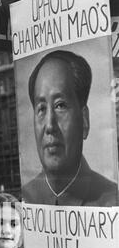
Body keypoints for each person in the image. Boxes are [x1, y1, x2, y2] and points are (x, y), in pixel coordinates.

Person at [23, 50, 118, 206]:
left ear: (85, 120)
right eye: (41, 109)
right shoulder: (25, 201)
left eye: (60, 106)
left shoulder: (111, 202)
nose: (49, 125)